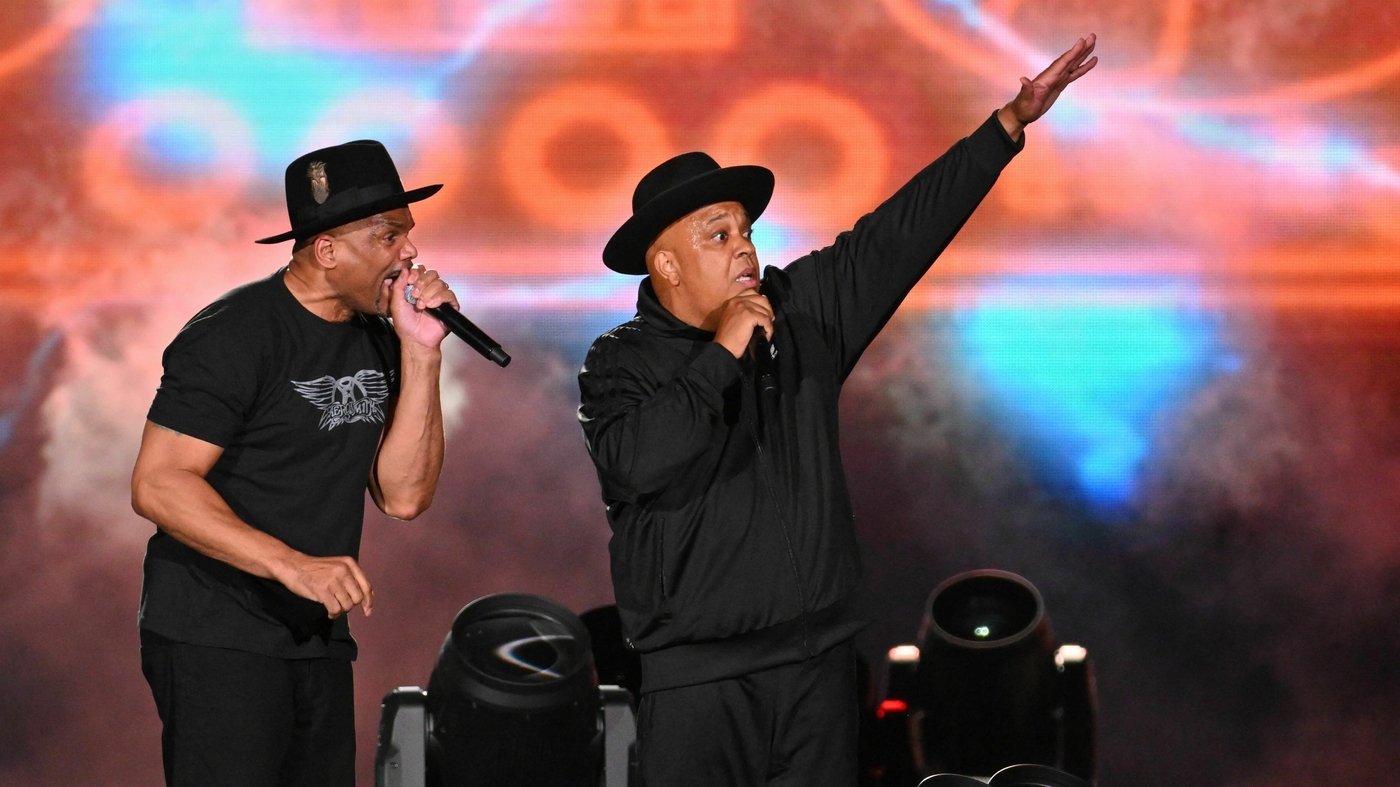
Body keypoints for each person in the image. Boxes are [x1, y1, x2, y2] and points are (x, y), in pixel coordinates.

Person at [577, 37, 1098, 787]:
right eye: (719, 235)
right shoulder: (619, 362)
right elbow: (637, 462)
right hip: (698, 689)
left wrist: (1006, 126)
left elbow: (896, 237)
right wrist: (722, 354)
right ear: (666, 264)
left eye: (746, 231)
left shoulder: (799, 313)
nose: (745, 249)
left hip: (816, 672)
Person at [130, 140, 458, 787]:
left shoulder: (381, 337)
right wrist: (292, 564)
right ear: (327, 251)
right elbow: (158, 483)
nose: (410, 253)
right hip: (216, 632)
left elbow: (404, 496)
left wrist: (423, 354)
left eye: (408, 234)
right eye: (389, 236)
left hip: (315, 635)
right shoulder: (234, 333)